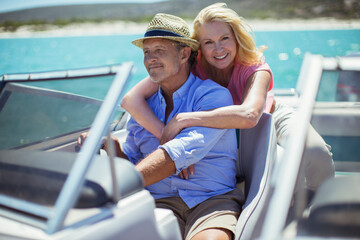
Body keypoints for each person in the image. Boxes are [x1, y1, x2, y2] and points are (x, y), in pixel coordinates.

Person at [121, 3, 335, 192]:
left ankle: (321, 207)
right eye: (208, 42)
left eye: (225, 38)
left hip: (267, 119)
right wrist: (165, 135)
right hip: (223, 131)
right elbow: (130, 100)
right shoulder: (191, 66)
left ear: (236, 39)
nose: (218, 48)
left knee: (316, 152)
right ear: (198, 48)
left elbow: (250, 115)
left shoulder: (255, 67)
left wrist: (184, 119)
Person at [86, 13, 244, 240]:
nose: (150, 58)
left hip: (210, 201)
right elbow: (134, 162)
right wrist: (114, 150)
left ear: (183, 54)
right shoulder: (144, 110)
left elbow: (175, 155)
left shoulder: (213, 96)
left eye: (159, 50)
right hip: (156, 203)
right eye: (147, 52)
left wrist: (112, 187)